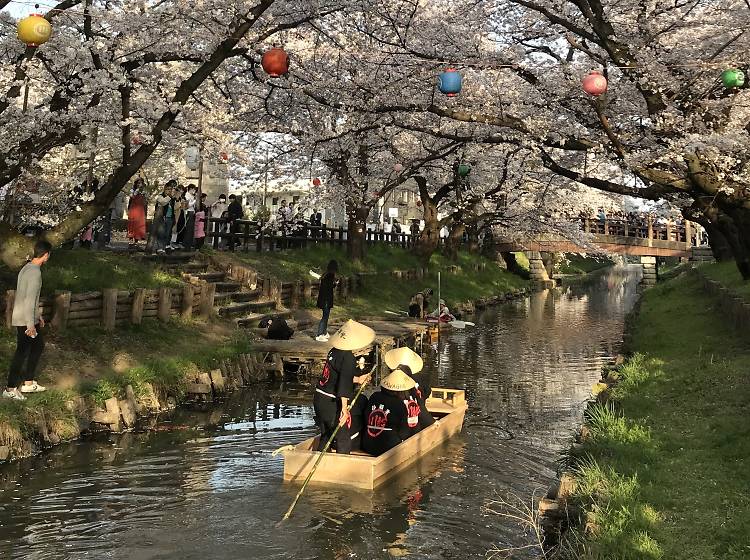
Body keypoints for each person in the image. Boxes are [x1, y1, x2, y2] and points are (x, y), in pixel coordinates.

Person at [313, 320, 375, 454]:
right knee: (343, 437)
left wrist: (358, 379)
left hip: (319, 398)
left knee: (326, 434)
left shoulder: (333, 351)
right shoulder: (348, 357)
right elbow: (344, 385)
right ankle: (342, 469)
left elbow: (340, 375)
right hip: (331, 402)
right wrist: (344, 409)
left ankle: (319, 461)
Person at [4, 241, 51, 400]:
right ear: (45, 255)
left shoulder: (27, 267)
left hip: (25, 317)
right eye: (48, 255)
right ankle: (10, 388)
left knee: (38, 346)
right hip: (25, 320)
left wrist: (38, 316)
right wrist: (31, 325)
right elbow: (30, 300)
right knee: (21, 352)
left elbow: (29, 297)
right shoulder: (35, 273)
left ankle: (28, 383)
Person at [362, 369, 417, 456]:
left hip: (368, 444)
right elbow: (404, 431)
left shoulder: (374, 396)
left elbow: (366, 417)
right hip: (389, 446)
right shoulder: (399, 403)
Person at [384, 347, 435, 429]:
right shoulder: (420, 379)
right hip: (415, 416)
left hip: (402, 420)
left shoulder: (389, 382)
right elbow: (427, 392)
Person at [316, 259, 339, 342]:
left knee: (326, 316)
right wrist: (335, 283)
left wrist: (334, 284)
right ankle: (319, 334)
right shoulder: (330, 275)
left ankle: (324, 332)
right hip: (326, 299)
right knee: (325, 317)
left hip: (324, 298)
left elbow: (327, 286)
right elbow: (329, 287)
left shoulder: (325, 275)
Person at [127, 180, 148, 249]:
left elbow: (146, 200)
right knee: (132, 223)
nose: (140, 184)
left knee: (139, 225)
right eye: (138, 183)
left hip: (140, 210)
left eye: (141, 183)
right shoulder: (132, 190)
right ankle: (130, 240)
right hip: (133, 209)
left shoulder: (143, 191)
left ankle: (136, 240)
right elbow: (132, 197)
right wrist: (136, 191)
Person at [182, 184, 197, 251]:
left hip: (192, 212)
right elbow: (187, 205)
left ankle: (189, 244)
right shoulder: (187, 195)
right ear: (190, 189)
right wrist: (194, 201)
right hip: (188, 212)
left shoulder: (192, 196)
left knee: (191, 230)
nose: (194, 191)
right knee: (188, 230)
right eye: (193, 189)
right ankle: (186, 245)